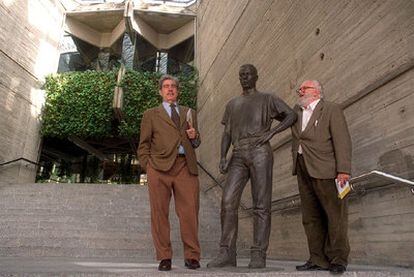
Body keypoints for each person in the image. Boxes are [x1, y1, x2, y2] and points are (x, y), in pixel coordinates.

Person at [207, 64, 297, 268]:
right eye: (241, 75)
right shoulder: (232, 104)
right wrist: (222, 155)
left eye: (248, 75)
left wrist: (272, 132)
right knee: (228, 201)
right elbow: (227, 132)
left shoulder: (268, 98)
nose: (244, 78)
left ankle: (258, 253)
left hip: (260, 152)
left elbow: (291, 115)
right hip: (238, 154)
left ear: (256, 77)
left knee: (261, 204)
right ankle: (227, 253)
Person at [138, 74, 201, 271]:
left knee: (190, 213)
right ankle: (164, 256)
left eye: (173, 86)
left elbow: (196, 142)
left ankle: (192, 256)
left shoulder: (189, 112)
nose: (170, 89)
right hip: (159, 168)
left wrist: (194, 136)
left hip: (185, 167)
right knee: (159, 213)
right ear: (160, 91)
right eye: (166, 86)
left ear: (178, 91)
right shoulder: (150, 114)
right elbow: (144, 144)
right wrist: (147, 166)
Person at [291, 80, 352, 275]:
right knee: (310, 217)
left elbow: (342, 140)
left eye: (305, 88)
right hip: (303, 168)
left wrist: (343, 170)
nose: (300, 91)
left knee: (335, 216)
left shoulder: (331, 109)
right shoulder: (297, 112)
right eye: (299, 89)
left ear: (317, 92)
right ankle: (317, 259)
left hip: (327, 170)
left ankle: (338, 260)